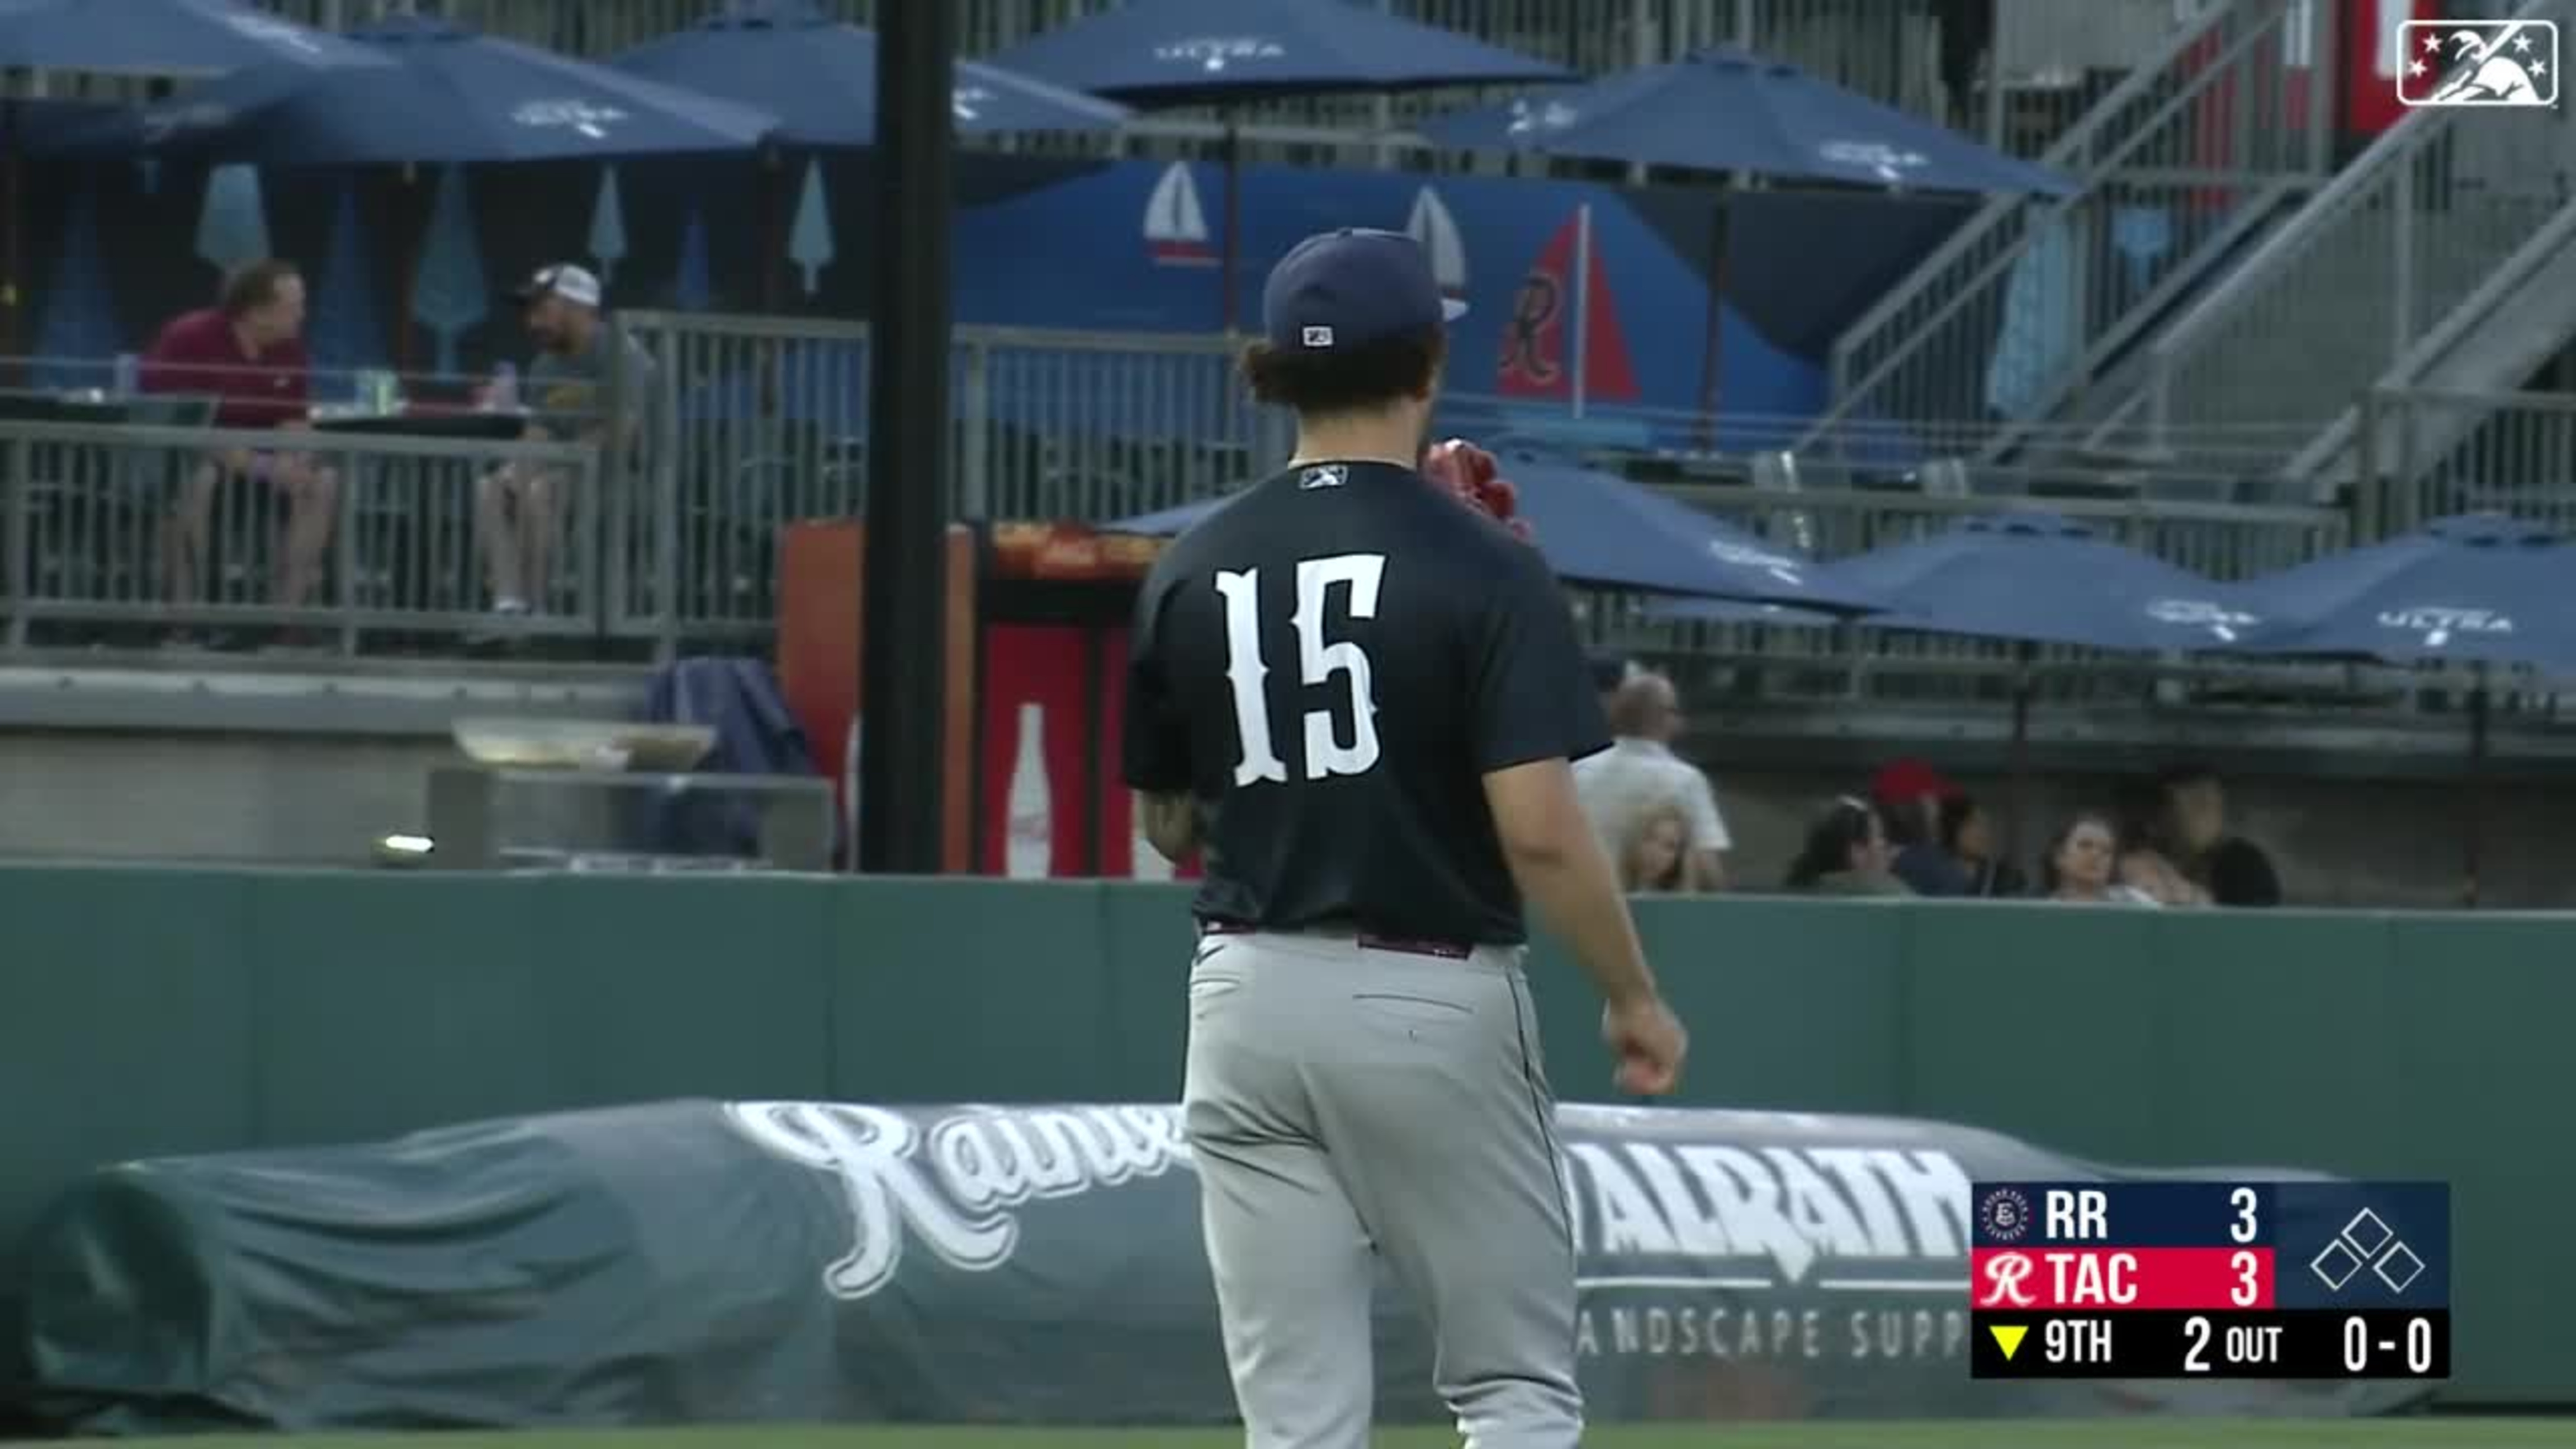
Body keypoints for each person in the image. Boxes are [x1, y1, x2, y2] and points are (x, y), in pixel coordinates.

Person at [1122, 227, 1687, 1449]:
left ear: (1267, 370)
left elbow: (1167, 820)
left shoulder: (1190, 564)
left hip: (1246, 994)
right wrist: (1633, 997)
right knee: (1514, 1390)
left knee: (1301, 1426)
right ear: (1429, 361)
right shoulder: (1480, 563)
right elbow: (1540, 836)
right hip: (1429, 991)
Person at [138, 258, 340, 641]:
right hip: (192, 459)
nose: (303, 314)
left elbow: (294, 419)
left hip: (260, 467)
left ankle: (283, 618)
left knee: (323, 481)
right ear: (257, 311)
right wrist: (264, 466)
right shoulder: (189, 337)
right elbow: (191, 427)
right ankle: (190, 616)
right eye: (294, 306)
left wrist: (296, 460)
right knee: (198, 478)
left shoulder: (291, 350)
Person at [473, 262, 651, 622]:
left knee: (542, 491)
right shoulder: (544, 366)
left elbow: (621, 434)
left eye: (542, 309)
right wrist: (515, 471)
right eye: (529, 312)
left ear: (578, 307)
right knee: (490, 487)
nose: (531, 322)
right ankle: (509, 604)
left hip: (630, 479)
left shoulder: (621, 351)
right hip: (571, 472)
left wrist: (553, 464)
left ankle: (541, 614)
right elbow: (538, 434)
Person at [1575, 668, 1732, 891]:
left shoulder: (1577, 772)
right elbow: (1706, 864)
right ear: (1666, 718)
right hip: (1654, 914)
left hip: (1582, 907)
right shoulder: (1686, 781)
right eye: (1675, 711)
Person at [1869, 757, 1972, 897]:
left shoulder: (1864, 864)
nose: (1938, 810)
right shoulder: (1939, 868)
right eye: (1933, 800)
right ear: (1915, 806)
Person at [1783, 795, 1912, 896]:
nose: (1888, 846)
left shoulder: (1792, 897)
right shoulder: (1890, 896)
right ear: (1857, 852)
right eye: (1881, 836)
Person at [2039, 812, 2160, 906]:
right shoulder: (2044, 913)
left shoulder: (2136, 901)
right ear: (2060, 856)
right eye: (2085, 845)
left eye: (2106, 851)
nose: (2096, 855)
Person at [1938, 792, 2026, 898]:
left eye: (1985, 826)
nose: (1983, 833)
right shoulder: (1933, 872)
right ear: (1954, 828)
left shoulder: (2004, 877)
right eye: (1974, 824)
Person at [1613, 795, 1692, 893]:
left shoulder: (1681, 899)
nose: (1655, 853)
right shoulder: (1608, 887)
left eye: (1669, 846)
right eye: (1649, 838)